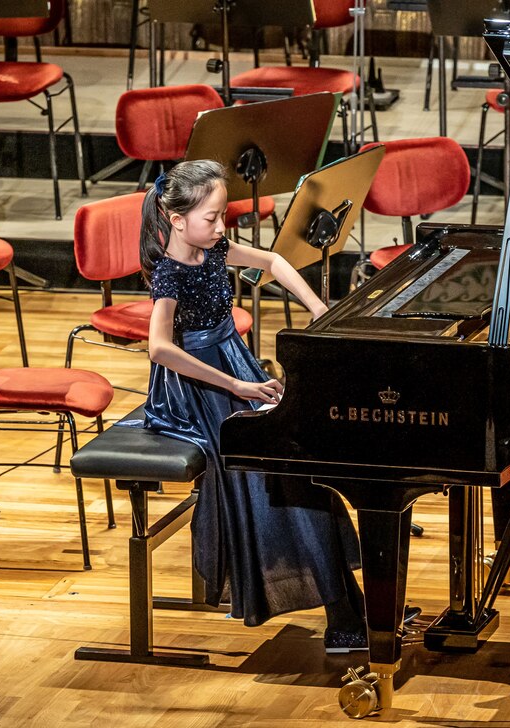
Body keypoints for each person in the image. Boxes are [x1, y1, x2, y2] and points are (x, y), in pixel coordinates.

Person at [132, 159, 368, 651]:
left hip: (232, 363)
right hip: (194, 387)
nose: (221, 229)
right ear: (176, 220)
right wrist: (237, 388)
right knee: (276, 475)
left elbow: (275, 262)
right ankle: (342, 612)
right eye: (211, 218)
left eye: (223, 217)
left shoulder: (213, 248)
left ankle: (348, 603)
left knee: (302, 462)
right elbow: (160, 349)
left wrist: (318, 308)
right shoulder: (171, 275)